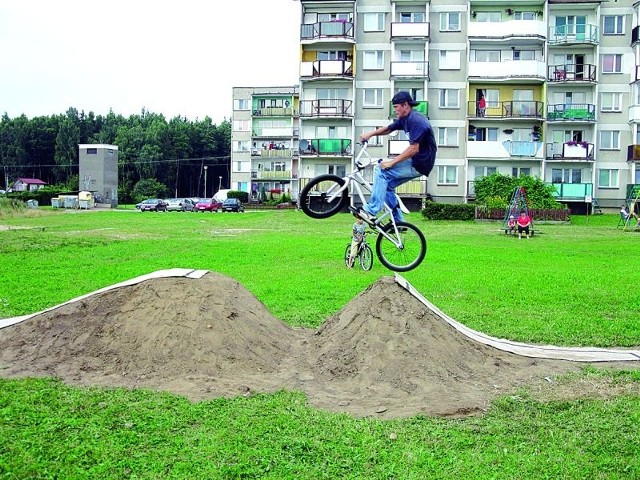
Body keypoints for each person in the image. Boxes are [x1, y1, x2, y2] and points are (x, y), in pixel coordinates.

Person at [353, 91, 437, 225]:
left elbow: (413, 149)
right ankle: (398, 222)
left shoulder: (417, 121)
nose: (395, 110)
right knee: (386, 186)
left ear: (405, 105)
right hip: (419, 162)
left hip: (420, 162)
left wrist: (392, 163)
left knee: (381, 170)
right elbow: (389, 129)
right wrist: (370, 134)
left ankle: (371, 211)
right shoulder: (405, 119)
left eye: (396, 107)